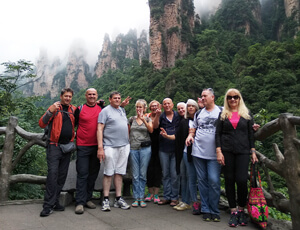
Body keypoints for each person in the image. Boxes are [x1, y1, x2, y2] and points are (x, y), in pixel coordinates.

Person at [215, 88, 258, 227]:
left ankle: (241, 209)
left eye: (235, 97)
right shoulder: (223, 114)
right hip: (227, 151)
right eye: (229, 97)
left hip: (243, 151)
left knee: (241, 180)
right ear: (226, 99)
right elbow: (218, 134)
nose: (232, 99)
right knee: (229, 180)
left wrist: (253, 150)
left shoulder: (246, 114)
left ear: (239, 99)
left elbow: (250, 134)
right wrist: (219, 151)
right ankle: (233, 211)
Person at [38, 88, 76, 217]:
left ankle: (55, 201)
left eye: (70, 96)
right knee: (53, 174)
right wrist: (50, 111)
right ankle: (47, 205)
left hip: (67, 148)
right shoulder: (54, 108)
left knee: (61, 176)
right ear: (61, 96)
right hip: (54, 146)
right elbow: (41, 124)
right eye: (66, 96)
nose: (68, 98)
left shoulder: (73, 110)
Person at [186, 88, 222, 222]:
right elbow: (193, 129)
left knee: (213, 180)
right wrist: (190, 136)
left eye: (205, 96)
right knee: (202, 181)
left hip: (214, 153)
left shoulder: (221, 111)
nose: (202, 98)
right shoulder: (198, 113)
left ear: (212, 97)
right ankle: (206, 209)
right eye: (201, 96)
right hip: (198, 152)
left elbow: (236, 121)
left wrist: (251, 125)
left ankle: (215, 209)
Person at [161, 99, 201, 214]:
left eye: (185, 107)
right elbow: (177, 137)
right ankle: (185, 200)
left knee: (190, 177)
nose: (182, 110)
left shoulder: (196, 120)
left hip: (193, 152)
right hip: (184, 152)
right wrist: (167, 136)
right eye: (179, 109)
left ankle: (190, 201)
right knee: (184, 176)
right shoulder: (184, 121)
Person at [97, 91, 131, 211]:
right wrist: (100, 147)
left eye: (118, 98)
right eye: (115, 98)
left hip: (124, 145)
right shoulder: (105, 111)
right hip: (110, 146)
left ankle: (118, 198)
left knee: (119, 173)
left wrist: (122, 105)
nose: (117, 99)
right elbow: (100, 129)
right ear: (110, 99)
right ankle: (105, 199)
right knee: (108, 173)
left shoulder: (122, 110)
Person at [74, 88, 103, 214]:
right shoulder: (79, 109)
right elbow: (73, 124)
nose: (92, 96)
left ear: (97, 96)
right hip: (82, 145)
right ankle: (80, 202)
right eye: (89, 94)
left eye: (94, 94)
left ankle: (88, 198)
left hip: (97, 146)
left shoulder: (101, 109)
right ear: (86, 96)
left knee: (93, 174)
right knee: (82, 173)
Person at [154, 98, 181, 207]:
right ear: (162, 106)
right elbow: (155, 126)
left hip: (175, 149)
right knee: (165, 174)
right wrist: (157, 115)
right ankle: (166, 196)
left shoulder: (178, 116)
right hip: (163, 149)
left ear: (172, 104)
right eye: (164, 104)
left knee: (174, 174)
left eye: (168, 103)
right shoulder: (161, 116)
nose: (167, 105)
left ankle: (174, 197)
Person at [128, 99, 153, 208]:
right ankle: (135, 197)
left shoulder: (148, 119)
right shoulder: (131, 119)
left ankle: (141, 197)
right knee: (135, 174)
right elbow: (128, 133)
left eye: (140, 107)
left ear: (144, 108)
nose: (138, 109)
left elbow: (151, 130)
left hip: (145, 149)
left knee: (142, 174)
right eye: (137, 107)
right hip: (133, 148)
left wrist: (144, 120)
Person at [144, 100, 162, 204]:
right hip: (148, 144)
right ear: (150, 108)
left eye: (156, 106)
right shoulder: (147, 117)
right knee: (149, 169)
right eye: (152, 106)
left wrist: (158, 116)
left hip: (159, 145)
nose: (154, 107)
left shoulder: (161, 116)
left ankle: (156, 193)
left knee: (158, 169)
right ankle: (150, 192)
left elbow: (156, 126)